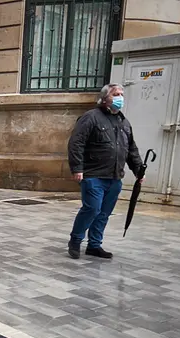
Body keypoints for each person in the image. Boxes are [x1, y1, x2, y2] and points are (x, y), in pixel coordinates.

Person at [67, 83, 143, 259]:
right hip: (94, 175)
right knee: (92, 209)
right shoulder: (91, 117)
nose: (120, 98)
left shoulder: (124, 122)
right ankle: (75, 240)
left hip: (114, 176)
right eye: (116, 94)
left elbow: (131, 149)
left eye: (122, 94)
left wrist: (139, 171)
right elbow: (76, 143)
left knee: (104, 213)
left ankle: (94, 245)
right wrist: (77, 168)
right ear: (105, 98)